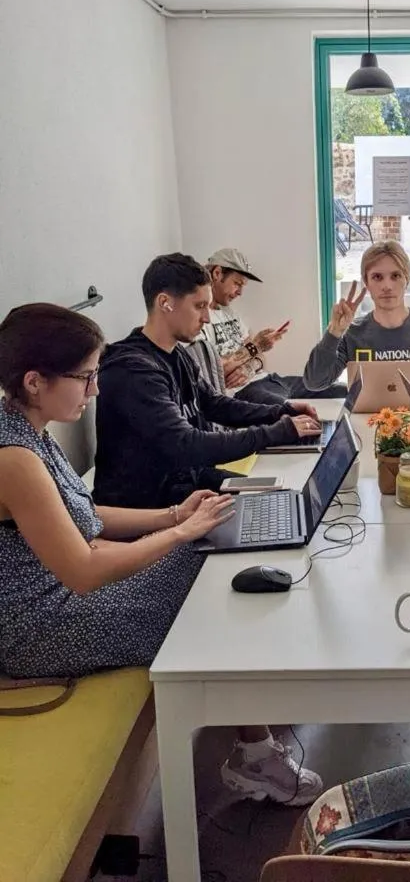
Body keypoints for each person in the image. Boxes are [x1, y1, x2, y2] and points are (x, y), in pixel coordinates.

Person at [0, 303, 323, 804]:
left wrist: (175, 516)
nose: (95, 389)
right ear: (35, 380)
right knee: (207, 601)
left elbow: (87, 517)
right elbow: (83, 570)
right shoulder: (13, 458)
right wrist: (179, 533)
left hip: (61, 593)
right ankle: (254, 753)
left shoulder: (28, 431)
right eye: (85, 377)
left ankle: (252, 734)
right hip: (39, 625)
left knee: (209, 556)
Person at [93, 253, 321, 509]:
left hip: (187, 482)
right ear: (165, 302)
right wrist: (278, 432)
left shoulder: (176, 354)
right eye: (199, 306)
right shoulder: (132, 371)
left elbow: (215, 404)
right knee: (273, 512)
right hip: (152, 505)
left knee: (285, 501)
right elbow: (188, 444)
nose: (207, 318)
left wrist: (281, 411)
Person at [303, 240, 410, 399]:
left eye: (395, 276)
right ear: (366, 282)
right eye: (377, 277)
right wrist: (334, 332)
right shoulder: (352, 334)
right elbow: (314, 382)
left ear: (407, 279)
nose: (387, 286)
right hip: (365, 426)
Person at [202, 247, 346, 404]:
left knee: (343, 390)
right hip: (243, 392)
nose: (240, 292)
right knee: (294, 412)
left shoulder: (229, 312)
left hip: (270, 380)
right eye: (237, 283)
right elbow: (212, 372)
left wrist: (251, 366)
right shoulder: (199, 319)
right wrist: (255, 346)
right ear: (217, 273)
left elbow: (260, 357)